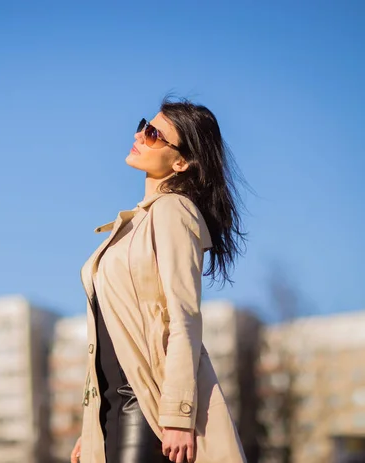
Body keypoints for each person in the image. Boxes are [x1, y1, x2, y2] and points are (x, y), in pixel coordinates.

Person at [70, 97, 248, 463]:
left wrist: (179, 415)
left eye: (153, 134)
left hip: (145, 403)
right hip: (111, 406)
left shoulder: (173, 211)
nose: (139, 135)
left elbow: (184, 320)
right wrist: (89, 427)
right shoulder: (135, 222)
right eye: (143, 126)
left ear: (181, 161)